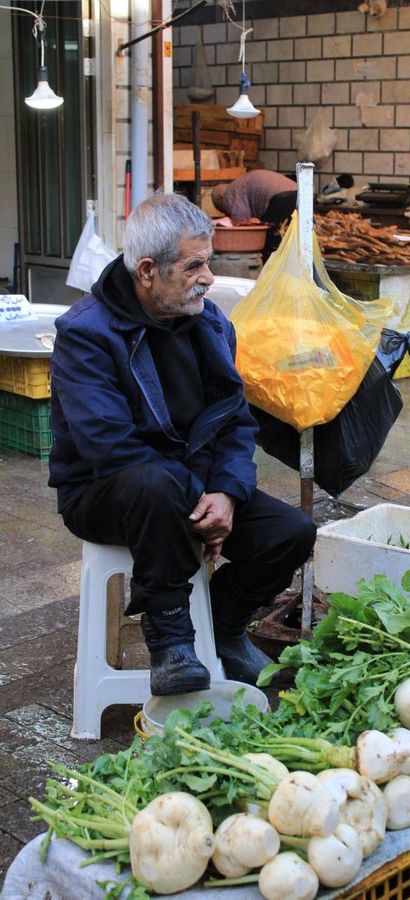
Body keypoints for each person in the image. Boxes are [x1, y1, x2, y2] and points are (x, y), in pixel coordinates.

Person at [48, 192, 316, 696]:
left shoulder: (210, 324)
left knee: (292, 532)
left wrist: (228, 494)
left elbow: (236, 421)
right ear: (148, 270)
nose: (208, 279)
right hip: (107, 492)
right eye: (194, 266)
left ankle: (223, 625)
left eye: (208, 263)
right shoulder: (85, 334)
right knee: (153, 483)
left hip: (190, 487)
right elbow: (110, 448)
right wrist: (200, 500)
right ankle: (171, 641)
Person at [212, 169, 298, 261]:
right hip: (299, 193)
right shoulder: (241, 183)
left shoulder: (230, 193)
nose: (227, 212)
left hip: (282, 199)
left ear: (220, 196)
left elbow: (240, 223)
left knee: (270, 243)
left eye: (223, 208)